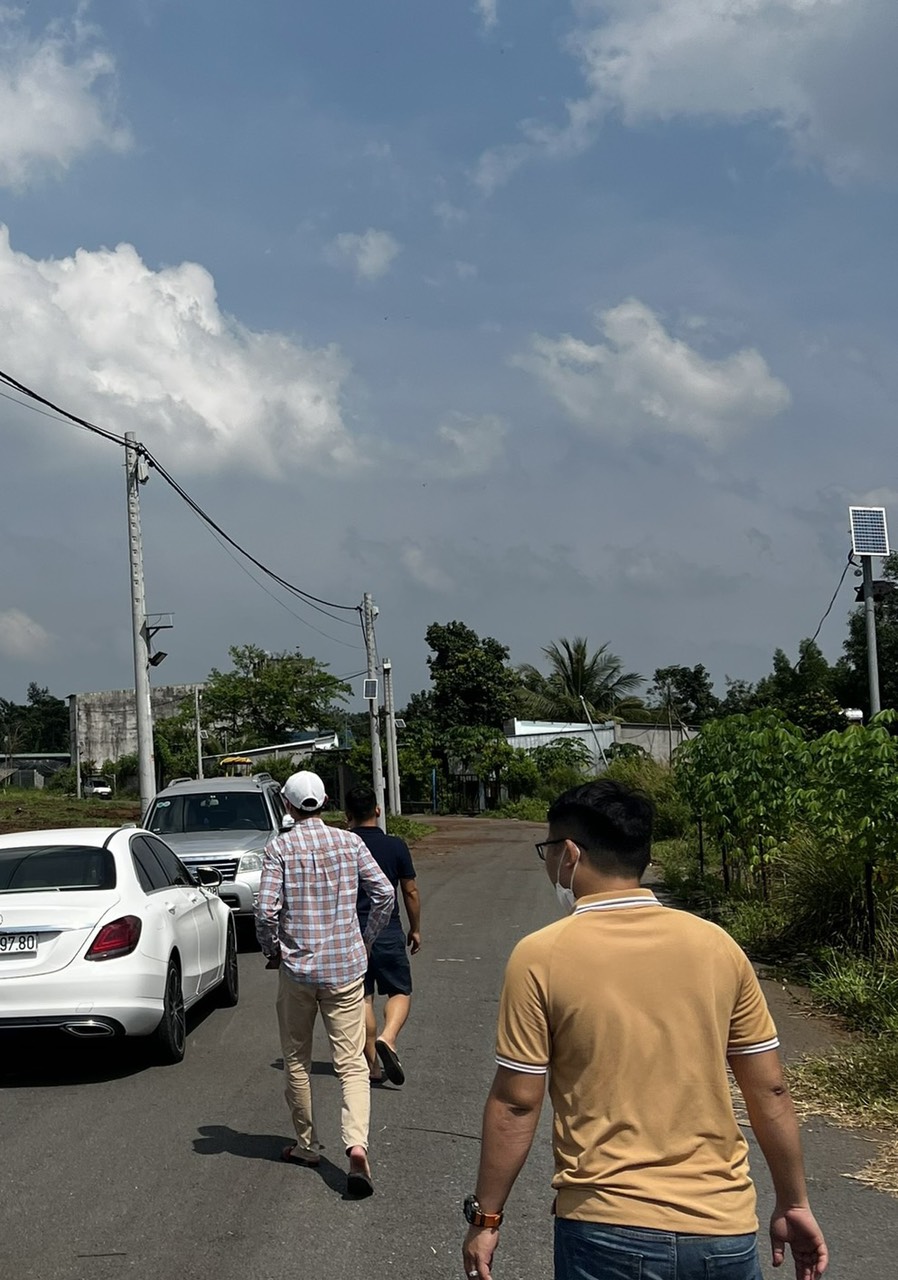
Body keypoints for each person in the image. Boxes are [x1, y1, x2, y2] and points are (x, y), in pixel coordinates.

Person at [462, 779, 828, 1280]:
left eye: (548, 850)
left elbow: (516, 1102)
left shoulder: (540, 956)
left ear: (569, 854)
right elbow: (770, 1089)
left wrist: (486, 1218)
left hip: (605, 1228)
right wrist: (794, 1202)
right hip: (723, 1229)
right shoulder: (717, 947)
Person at [256, 770, 394, 1198]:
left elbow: (265, 911)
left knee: (296, 1058)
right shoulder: (350, 843)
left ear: (287, 805)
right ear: (326, 802)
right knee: (351, 1063)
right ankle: (356, 1146)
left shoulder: (278, 848)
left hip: (297, 971)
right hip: (345, 969)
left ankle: (307, 1145)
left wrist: (273, 950)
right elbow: (385, 894)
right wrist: (364, 941)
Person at [345, 783, 421, 1086]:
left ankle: (373, 1067)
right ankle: (388, 1038)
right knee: (399, 990)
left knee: (363, 998)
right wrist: (415, 928)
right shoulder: (395, 846)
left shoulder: (345, 847)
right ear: (377, 810)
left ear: (347, 815)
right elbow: (410, 891)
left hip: (353, 933)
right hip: (388, 929)